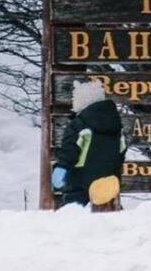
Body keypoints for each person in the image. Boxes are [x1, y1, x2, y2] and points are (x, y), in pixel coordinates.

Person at [52, 80, 127, 209]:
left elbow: (70, 150)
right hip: (108, 178)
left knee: (71, 214)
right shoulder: (116, 125)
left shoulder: (79, 124)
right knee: (108, 214)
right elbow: (122, 149)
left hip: (80, 179)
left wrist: (62, 167)